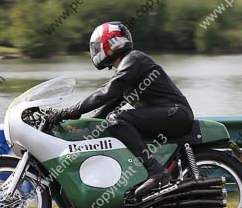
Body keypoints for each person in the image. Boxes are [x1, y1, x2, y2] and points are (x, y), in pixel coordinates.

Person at [48, 22, 194, 197]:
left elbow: (106, 92)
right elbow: (105, 109)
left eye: (96, 47)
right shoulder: (127, 70)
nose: (95, 52)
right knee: (112, 118)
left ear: (109, 43)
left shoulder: (134, 59)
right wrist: (80, 125)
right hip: (170, 116)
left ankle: (156, 170)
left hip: (176, 114)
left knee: (117, 118)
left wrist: (70, 111)